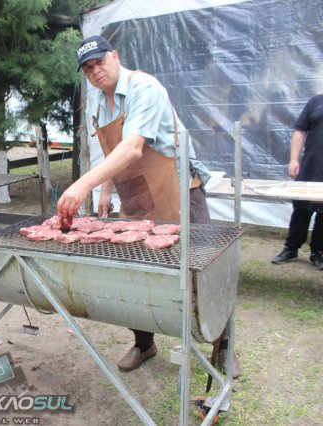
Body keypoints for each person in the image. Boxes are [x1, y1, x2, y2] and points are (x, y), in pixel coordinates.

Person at [58, 35, 241, 376]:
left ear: (115, 55)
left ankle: (225, 345)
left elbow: (132, 148)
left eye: (100, 62)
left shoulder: (144, 87)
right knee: (135, 275)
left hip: (178, 188)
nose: (95, 71)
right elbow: (113, 151)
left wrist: (84, 184)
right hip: (135, 196)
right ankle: (144, 343)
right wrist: (106, 190)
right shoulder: (97, 101)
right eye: (88, 68)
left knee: (206, 271)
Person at [271, 94, 323, 270]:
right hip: (311, 165)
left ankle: (318, 252)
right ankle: (291, 248)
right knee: (301, 207)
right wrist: (294, 159)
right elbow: (300, 131)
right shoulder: (316, 102)